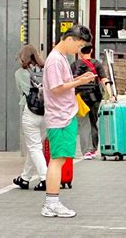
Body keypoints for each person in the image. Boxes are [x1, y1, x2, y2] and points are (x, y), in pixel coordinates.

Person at [41, 25, 95, 218]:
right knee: (57, 160)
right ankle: (51, 203)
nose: (78, 50)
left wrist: (78, 79)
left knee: (60, 159)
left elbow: (61, 84)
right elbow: (56, 88)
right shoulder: (55, 59)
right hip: (60, 117)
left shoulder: (60, 57)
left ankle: (52, 202)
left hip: (64, 115)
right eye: (79, 45)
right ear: (70, 39)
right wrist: (79, 82)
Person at [71, 44, 115, 160]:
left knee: (84, 123)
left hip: (80, 97)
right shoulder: (96, 64)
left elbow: (69, 80)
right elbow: (104, 80)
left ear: (80, 52)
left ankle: (87, 151)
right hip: (95, 97)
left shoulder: (75, 65)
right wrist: (110, 95)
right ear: (91, 51)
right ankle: (93, 149)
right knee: (93, 122)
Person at [13, 45, 47, 191]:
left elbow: (21, 92)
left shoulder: (20, 73)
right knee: (36, 147)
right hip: (47, 113)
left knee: (34, 148)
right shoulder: (47, 71)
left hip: (31, 111)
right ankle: (25, 178)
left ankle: (45, 178)